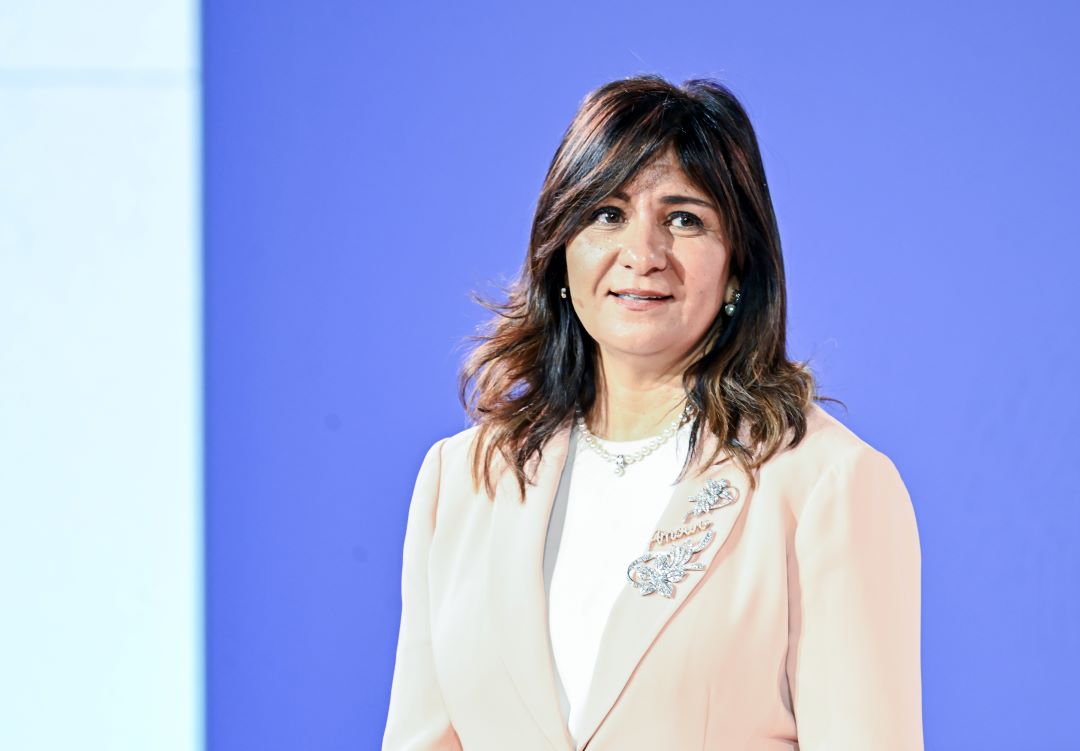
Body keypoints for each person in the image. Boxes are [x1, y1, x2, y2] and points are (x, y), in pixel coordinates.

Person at [382, 74, 923, 751]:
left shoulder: (826, 485)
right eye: (606, 213)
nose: (642, 255)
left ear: (737, 267)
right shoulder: (461, 480)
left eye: (684, 218)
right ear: (560, 250)